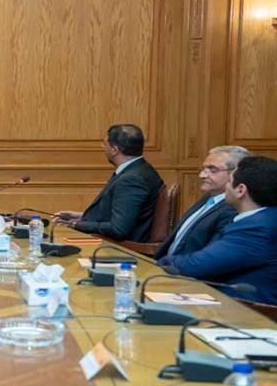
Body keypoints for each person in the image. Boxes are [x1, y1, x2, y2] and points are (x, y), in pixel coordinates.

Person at [158, 156, 277, 304]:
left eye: (229, 181)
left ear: (240, 190)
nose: (226, 187)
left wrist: (164, 261)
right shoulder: (265, 218)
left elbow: (196, 265)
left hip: (245, 310)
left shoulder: (257, 228)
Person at [54, 124, 164, 242]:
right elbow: (126, 215)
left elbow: (118, 229)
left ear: (114, 150)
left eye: (105, 143)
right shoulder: (141, 169)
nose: (102, 146)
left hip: (120, 248)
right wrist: (82, 217)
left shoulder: (131, 180)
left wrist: (76, 225)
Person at [154, 146, 250, 260]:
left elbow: (211, 258)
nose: (202, 175)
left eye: (213, 170)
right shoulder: (208, 197)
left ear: (236, 173)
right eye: (203, 169)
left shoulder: (234, 208)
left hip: (185, 268)